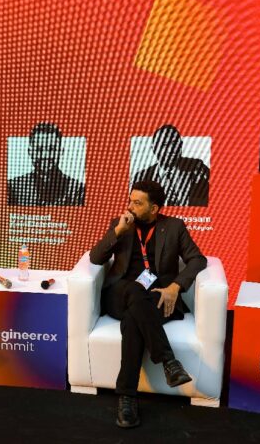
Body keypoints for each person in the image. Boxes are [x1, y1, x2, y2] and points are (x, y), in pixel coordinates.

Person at [89, 180, 206, 428]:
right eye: (130, 200)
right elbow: (96, 258)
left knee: (133, 321)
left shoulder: (174, 227)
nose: (130, 206)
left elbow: (197, 259)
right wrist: (117, 232)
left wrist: (175, 286)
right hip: (120, 293)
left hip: (157, 296)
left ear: (154, 208)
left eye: (137, 203)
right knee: (134, 289)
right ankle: (168, 361)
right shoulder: (120, 224)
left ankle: (127, 398)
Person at [7, 122, 85, 206]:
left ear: (61, 151)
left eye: (51, 149)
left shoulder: (77, 190)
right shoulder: (13, 188)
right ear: (30, 152)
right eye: (39, 149)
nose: (45, 155)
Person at [132, 124, 209, 206]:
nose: (171, 149)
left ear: (181, 145)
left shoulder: (197, 169)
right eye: (164, 144)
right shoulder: (141, 178)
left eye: (174, 143)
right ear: (154, 148)